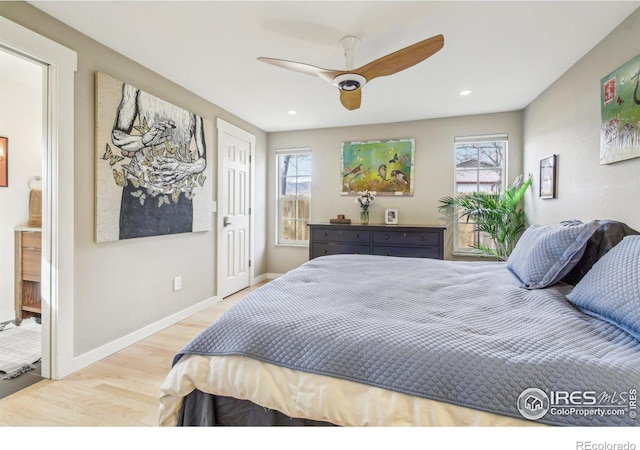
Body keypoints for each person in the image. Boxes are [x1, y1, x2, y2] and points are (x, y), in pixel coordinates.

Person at [111, 82, 207, 239]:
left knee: (180, 250)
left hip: (180, 194)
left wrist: (186, 168)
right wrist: (144, 140)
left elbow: (202, 162)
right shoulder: (134, 87)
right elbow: (117, 136)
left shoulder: (194, 108)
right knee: (132, 251)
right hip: (140, 187)